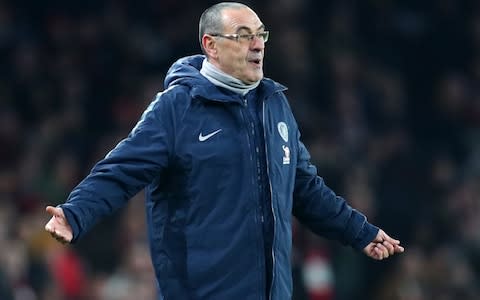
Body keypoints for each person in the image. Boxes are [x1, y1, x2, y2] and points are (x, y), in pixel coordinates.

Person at [45, 2, 404, 299]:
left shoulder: (274, 106)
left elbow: (304, 189)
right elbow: (120, 171)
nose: (258, 44)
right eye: (243, 36)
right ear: (211, 45)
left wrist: (360, 231)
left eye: (261, 34)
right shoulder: (177, 108)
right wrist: (74, 214)